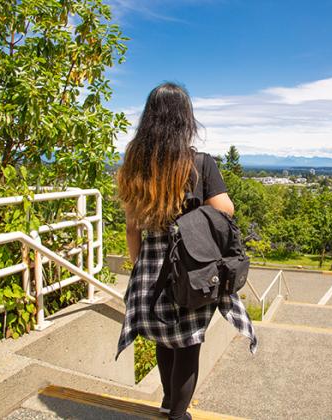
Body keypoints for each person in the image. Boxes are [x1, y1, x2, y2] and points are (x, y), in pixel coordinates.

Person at [115, 82, 257, 420]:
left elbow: (131, 225)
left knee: (165, 338)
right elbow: (226, 209)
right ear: (185, 120)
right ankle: (178, 416)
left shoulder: (135, 165)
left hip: (150, 261)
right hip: (192, 263)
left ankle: (168, 403)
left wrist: (139, 268)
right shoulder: (200, 163)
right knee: (189, 342)